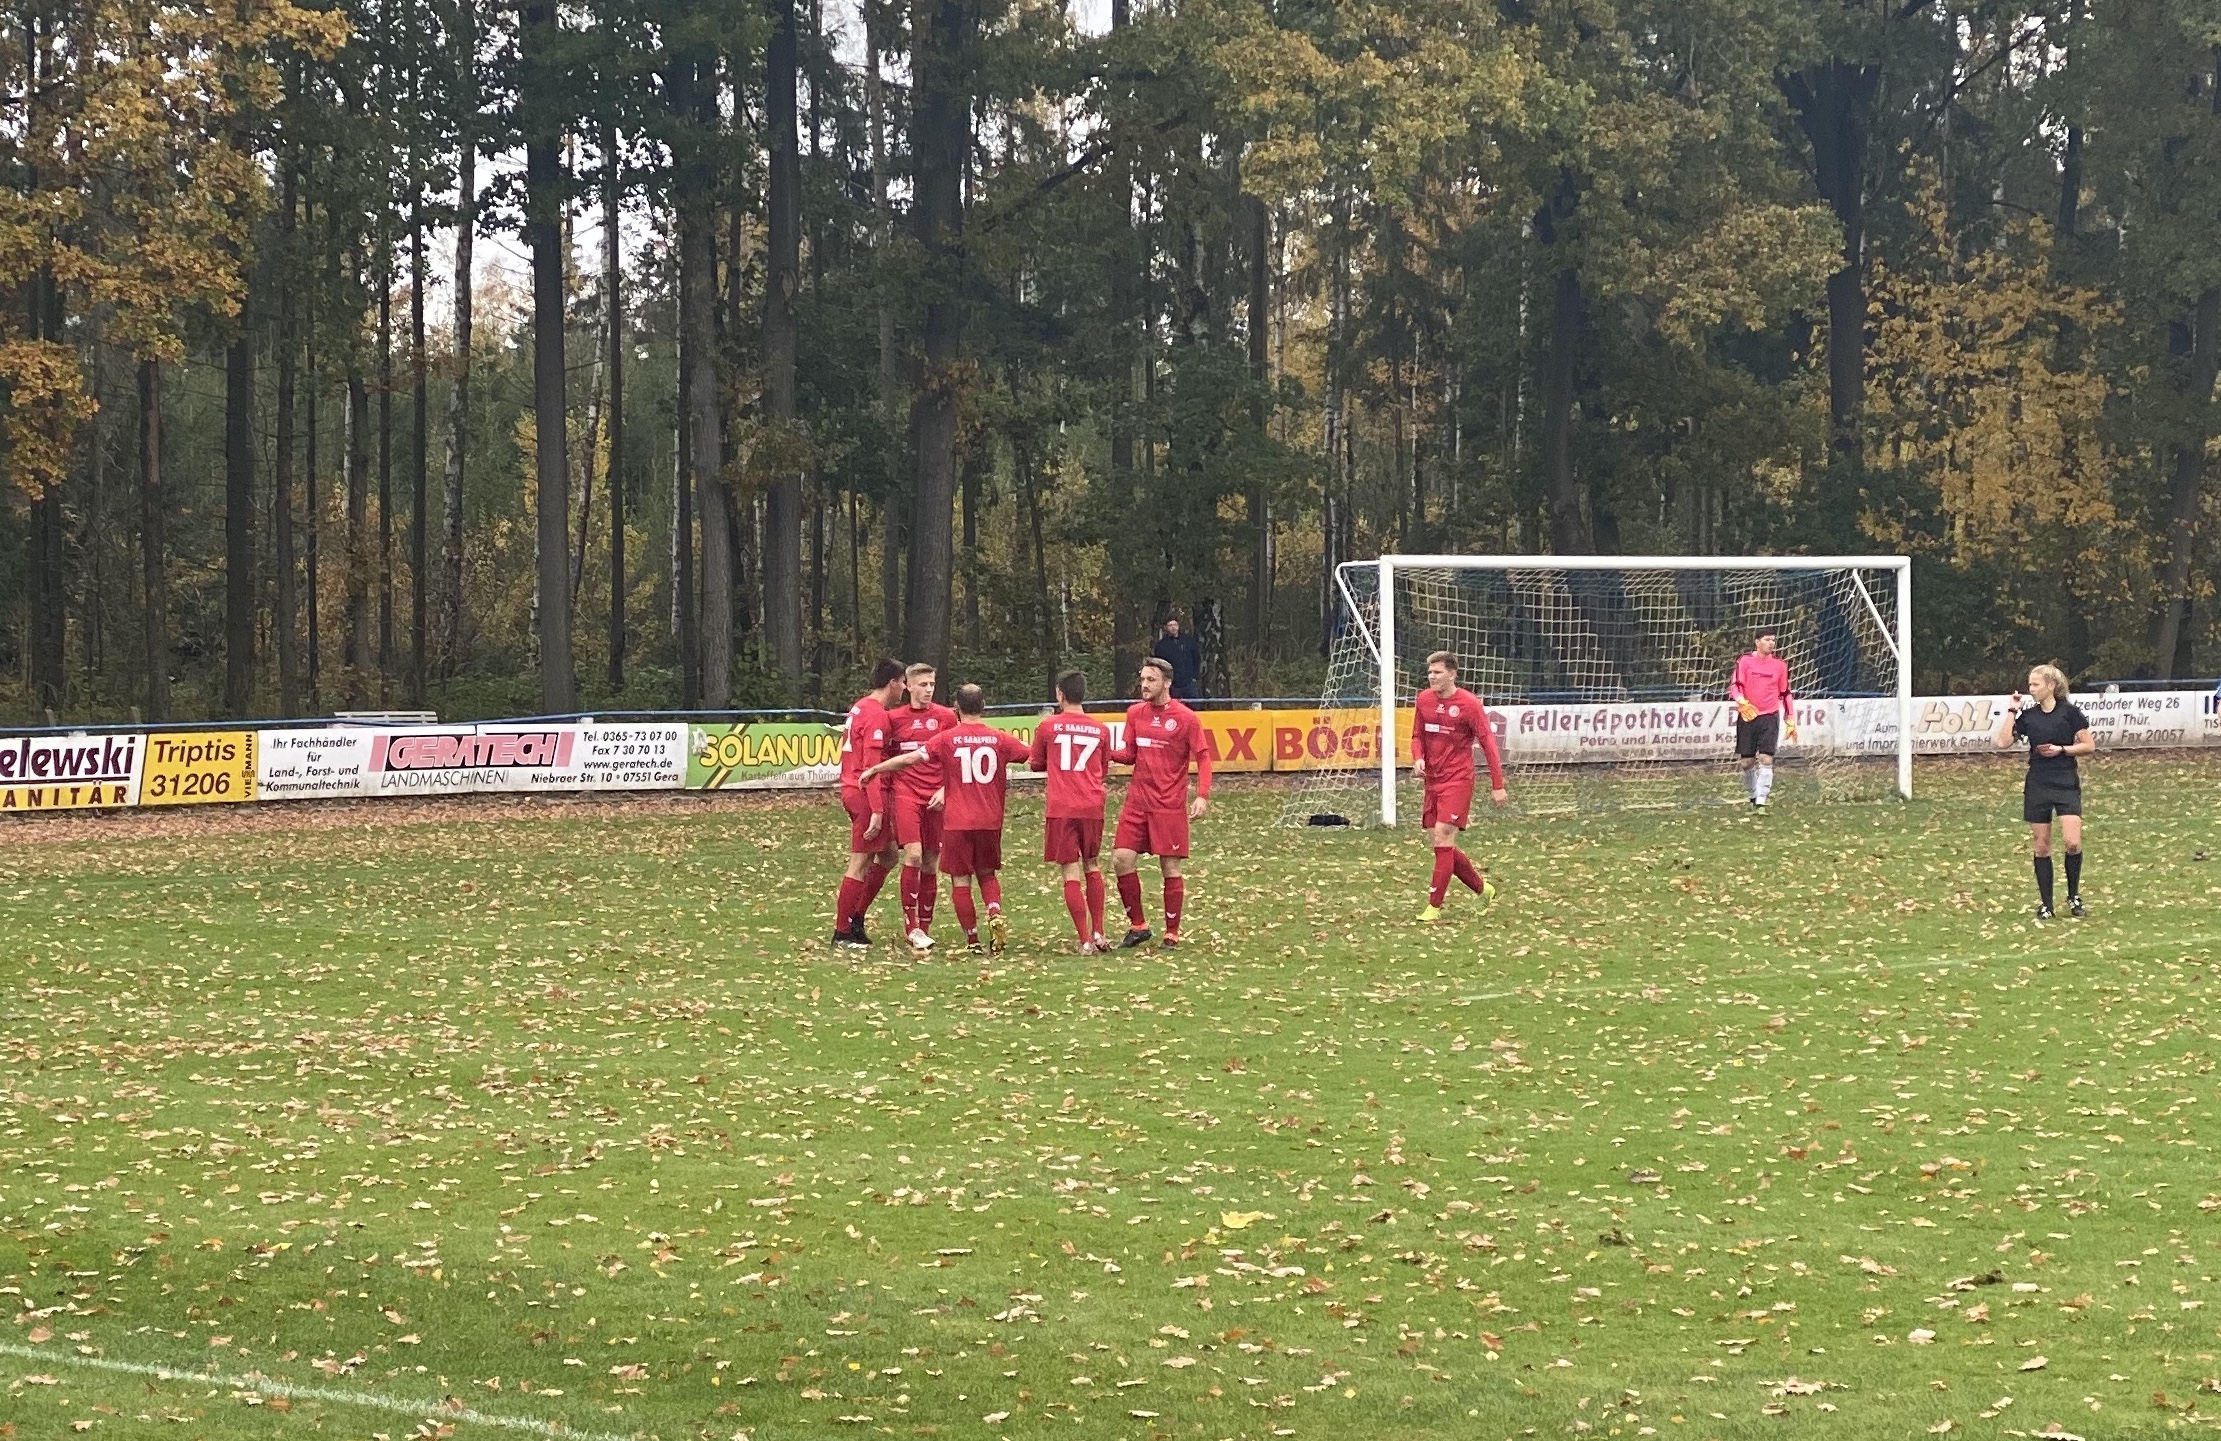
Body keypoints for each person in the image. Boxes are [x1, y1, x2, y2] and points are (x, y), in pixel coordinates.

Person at [871, 684, 1033, 955]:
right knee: (987, 874)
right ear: (984, 707)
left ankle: (973, 941)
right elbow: (1032, 756)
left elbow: (911, 759)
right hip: (990, 821)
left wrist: (877, 768)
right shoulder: (1000, 739)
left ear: (956, 708)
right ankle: (994, 911)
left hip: (958, 821)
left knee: (960, 880)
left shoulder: (946, 739)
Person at [1109, 657, 1212, 949]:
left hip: (1168, 804)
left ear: (1166, 682)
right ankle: (1138, 926)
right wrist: (1105, 752)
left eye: (1151, 680)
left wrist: (1202, 795)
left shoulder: (1186, 717)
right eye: (1142, 679)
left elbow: (1203, 757)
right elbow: (1129, 755)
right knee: (1121, 859)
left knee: (1170, 868)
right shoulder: (1135, 714)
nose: (1144, 685)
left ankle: (1172, 932)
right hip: (1137, 802)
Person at [1410, 651, 1509, 922]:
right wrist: (1418, 757)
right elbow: (1417, 735)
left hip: (1458, 780)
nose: (1431, 677)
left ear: (1452, 674)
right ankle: (1482, 888)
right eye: (1429, 672)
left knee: (1443, 836)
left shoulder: (1468, 704)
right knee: (1441, 846)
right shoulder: (1424, 700)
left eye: (1437, 672)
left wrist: (1497, 785)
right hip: (1433, 780)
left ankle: (1434, 906)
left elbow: (1488, 744)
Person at [1992, 663, 2094, 920]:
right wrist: (2012, 711)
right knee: (2042, 846)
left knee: (2072, 842)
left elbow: (2088, 745)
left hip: (2065, 781)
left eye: (2036, 684)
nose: (2031, 689)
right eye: (2030, 684)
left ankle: (2073, 895)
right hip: (2038, 782)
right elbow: (2003, 742)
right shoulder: (2028, 716)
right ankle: (2046, 903)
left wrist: (2062, 750)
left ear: (2051, 686)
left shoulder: (2070, 713)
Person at [871, 663, 960, 950]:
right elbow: (883, 756)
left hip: (936, 796)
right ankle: (912, 927)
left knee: (931, 861)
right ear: (908, 686)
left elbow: (958, 760)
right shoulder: (893, 718)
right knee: (913, 855)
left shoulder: (946, 717)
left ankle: (925, 924)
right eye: (922, 685)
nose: (928, 690)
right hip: (906, 794)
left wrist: (946, 790)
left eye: (932, 684)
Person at [1031, 670, 1113, 954]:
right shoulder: (1101, 729)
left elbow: (1034, 763)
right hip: (1092, 804)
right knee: (1092, 864)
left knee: (1070, 871)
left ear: (1059, 694)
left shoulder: (1048, 726)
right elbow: (1103, 769)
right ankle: (1100, 931)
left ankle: (1084, 940)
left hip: (1062, 806)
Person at [831, 658, 906, 947]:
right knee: (860, 861)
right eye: (902, 683)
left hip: (854, 788)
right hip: (863, 791)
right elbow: (870, 766)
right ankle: (842, 931)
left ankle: (856, 917)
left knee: (888, 855)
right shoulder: (876, 714)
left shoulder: (860, 706)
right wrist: (877, 809)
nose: (904, 689)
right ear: (893, 683)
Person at [1728, 629, 1797, 807]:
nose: (1771, 643)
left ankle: (1761, 800)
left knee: (1766, 759)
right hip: (1749, 716)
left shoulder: (1780, 666)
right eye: (1767, 640)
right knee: (1746, 762)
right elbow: (1735, 686)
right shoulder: (1744, 662)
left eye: (1773, 640)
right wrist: (1741, 700)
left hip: (1770, 716)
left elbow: (1785, 693)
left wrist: (1790, 718)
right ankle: (1753, 795)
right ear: (1757, 642)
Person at [1152, 617, 1203, 701]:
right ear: (1166, 628)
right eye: (1170, 625)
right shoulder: (1161, 646)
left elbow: (1196, 658)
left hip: (1189, 681)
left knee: (1194, 705)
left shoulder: (1188, 641)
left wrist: (1195, 676)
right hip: (1173, 682)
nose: (1173, 627)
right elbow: (1160, 664)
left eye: (1175, 625)